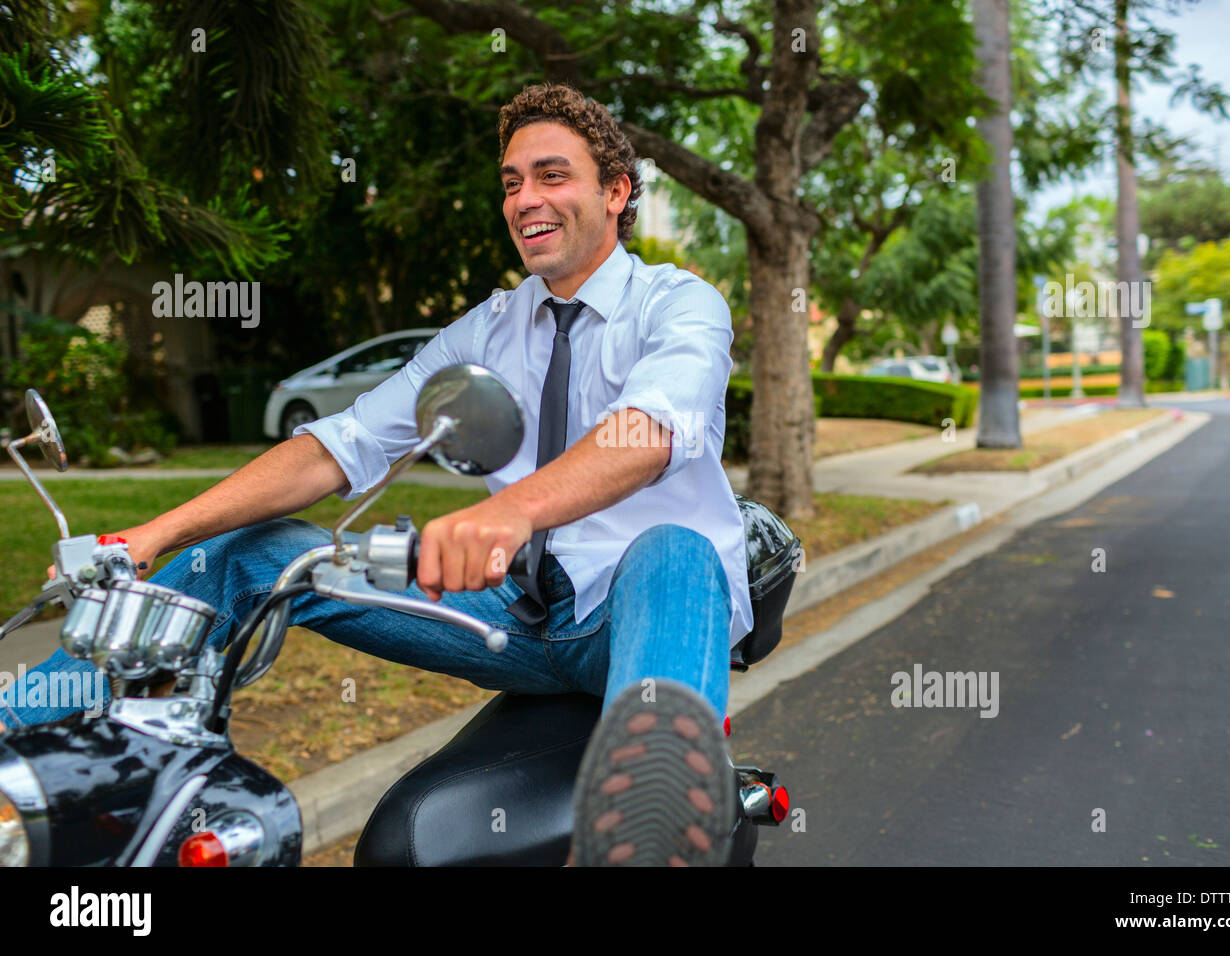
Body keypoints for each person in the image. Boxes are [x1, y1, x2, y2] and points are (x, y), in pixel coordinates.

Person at [0, 83, 754, 867]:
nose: (525, 197)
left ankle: (652, 825)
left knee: (674, 549)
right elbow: (343, 443)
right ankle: (20, 748)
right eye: (511, 181)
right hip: (523, 615)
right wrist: (151, 535)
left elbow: (649, 432)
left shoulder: (680, 304)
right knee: (256, 551)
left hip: (635, 611)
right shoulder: (490, 329)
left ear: (616, 190)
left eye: (552, 175)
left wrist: (511, 513)